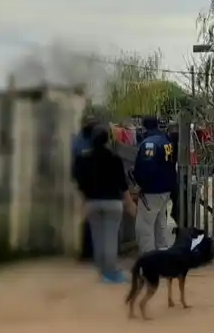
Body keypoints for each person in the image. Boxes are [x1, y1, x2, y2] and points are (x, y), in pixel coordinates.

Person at [72, 125, 136, 283]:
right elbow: (123, 183)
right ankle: (111, 270)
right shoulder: (114, 158)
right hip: (113, 203)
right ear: (107, 139)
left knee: (97, 237)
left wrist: (83, 201)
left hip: (93, 202)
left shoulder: (84, 159)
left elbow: (80, 182)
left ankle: (102, 270)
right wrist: (130, 204)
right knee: (110, 237)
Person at [133, 116, 176, 253]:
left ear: (144, 126)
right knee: (160, 226)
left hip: (151, 191)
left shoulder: (149, 144)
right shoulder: (165, 140)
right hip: (165, 189)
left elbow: (147, 167)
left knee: (145, 228)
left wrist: (140, 185)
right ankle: (162, 258)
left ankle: (148, 261)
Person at [72, 115, 99, 262]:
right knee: (87, 219)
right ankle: (87, 251)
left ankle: (92, 251)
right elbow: (76, 166)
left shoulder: (90, 140)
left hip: (93, 187)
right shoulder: (80, 142)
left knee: (91, 220)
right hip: (86, 188)